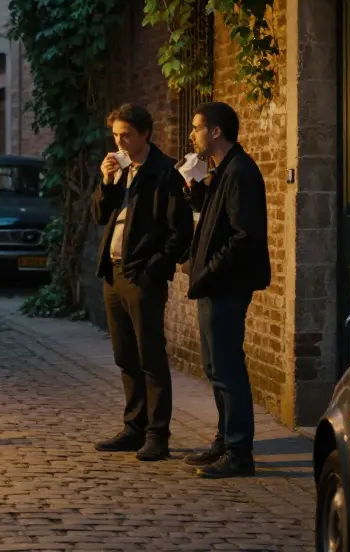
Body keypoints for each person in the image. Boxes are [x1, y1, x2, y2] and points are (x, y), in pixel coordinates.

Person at [91, 103, 194, 461]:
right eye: (116, 135)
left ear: (144, 134)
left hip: (142, 276)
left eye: (126, 135)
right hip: (114, 272)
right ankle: (134, 427)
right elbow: (100, 215)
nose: (119, 142)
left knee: (150, 356)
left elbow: (179, 232)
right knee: (125, 355)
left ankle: (157, 434)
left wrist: (153, 268)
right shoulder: (119, 170)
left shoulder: (164, 173)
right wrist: (107, 182)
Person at [182, 101, 270, 478]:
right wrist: (197, 189)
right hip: (214, 284)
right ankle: (223, 440)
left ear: (216, 131)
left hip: (226, 285)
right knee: (215, 367)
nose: (192, 134)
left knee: (228, 368)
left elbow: (244, 235)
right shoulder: (223, 171)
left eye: (197, 127)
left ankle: (239, 452)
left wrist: (212, 269)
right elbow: (215, 220)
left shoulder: (240, 172)